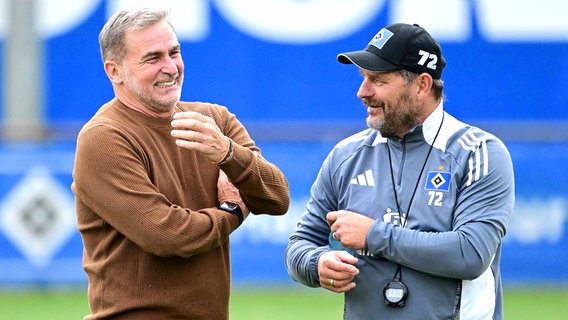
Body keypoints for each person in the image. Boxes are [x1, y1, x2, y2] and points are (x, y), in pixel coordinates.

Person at [71, 7, 290, 320]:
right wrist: (233, 211)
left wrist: (227, 152)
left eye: (174, 52)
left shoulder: (215, 121)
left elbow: (277, 197)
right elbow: (165, 235)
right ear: (114, 71)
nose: (170, 67)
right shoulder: (103, 138)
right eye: (153, 57)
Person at [285, 23, 514, 319]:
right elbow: (299, 246)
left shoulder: (478, 152)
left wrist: (373, 235)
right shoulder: (346, 155)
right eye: (363, 78)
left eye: (378, 80)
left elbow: (470, 254)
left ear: (422, 85)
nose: (362, 92)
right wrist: (317, 263)